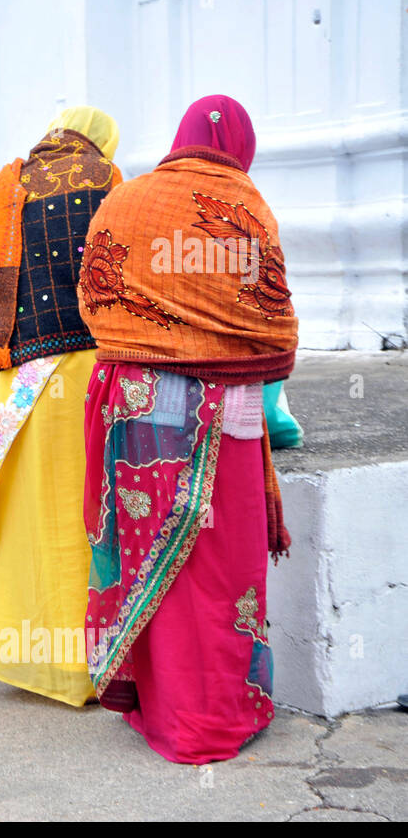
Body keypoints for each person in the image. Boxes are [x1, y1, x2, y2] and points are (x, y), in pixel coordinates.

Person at [77, 95, 299, 763]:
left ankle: (164, 705)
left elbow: (93, 294)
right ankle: (213, 716)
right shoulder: (246, 201)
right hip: (219, 412)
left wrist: (149, 342)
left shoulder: (126, 199)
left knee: (156, 565)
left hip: (135, 403)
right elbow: (272, 323)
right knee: (222, 568)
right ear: (240, 143)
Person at [0, 107, 122, 707]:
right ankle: (85, 672)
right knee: (79, 524)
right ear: (100, 142)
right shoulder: (107, 181)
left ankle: (27, 662)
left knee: (23, 528)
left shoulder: (1, 188)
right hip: (74, 379)